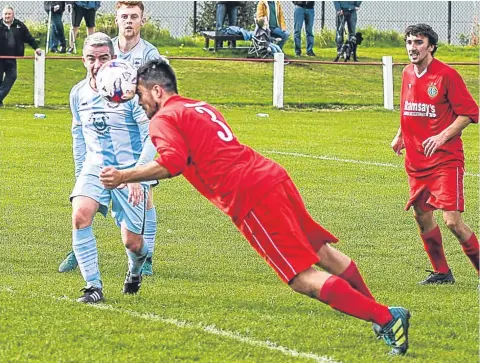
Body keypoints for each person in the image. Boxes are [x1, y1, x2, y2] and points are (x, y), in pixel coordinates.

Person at [100, 59, 411, 356]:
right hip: (271, 176)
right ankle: (378, 316)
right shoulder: (198, 106)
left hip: (249, 195)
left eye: (139, 94)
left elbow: (171, 163)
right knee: (323, 252)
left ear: (157, 91)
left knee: (300, 277)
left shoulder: (164, 118)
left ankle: (385, 318)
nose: (137, 102)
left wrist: (124, 176)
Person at [59, 1, 164, 276]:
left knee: (145, 194)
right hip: (103, 137)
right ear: (116, 20)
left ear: (142, 20)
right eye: (124, 17)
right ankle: (79, 250)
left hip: (136, 132)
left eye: (133, 17)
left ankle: (146, 255)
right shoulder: (106, 47)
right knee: (84, 205)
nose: (128, 22)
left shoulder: (150, 54)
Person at [69, 32, 156, 303]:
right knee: (80, 215)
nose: (97, 64)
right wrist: (81, 173)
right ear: (84, 60)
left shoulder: (131, 93)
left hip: (129, 170)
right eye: (91, 58)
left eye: (103, 57)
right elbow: (78, 135)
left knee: (133, 244)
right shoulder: (78, 94)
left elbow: (153, 135)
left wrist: (137, 176)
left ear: (113, 58)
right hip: (96, 168)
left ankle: (135, 270)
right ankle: (93, 286)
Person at [391, 24, 479, 284]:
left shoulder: (447, 75)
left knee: (452, 221)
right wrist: (400, 135)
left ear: (430, 46)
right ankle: (442, 273)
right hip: (417, 161)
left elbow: (470, 113)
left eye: (418, 42)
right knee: (421, 216)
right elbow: (410, 108)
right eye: (409, 42)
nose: (412, 47)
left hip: (445, 160)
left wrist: (442, 136)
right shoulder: (407, 72)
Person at [0, 6, 42, 107]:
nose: (7, 16)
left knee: (12, 76)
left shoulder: (19, 25)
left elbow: (28, 37)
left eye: (9, 14)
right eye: (5, 14)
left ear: (13, 14)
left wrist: (36, 47)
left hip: (12, 58)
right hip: (0, 58)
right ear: (2, 15)